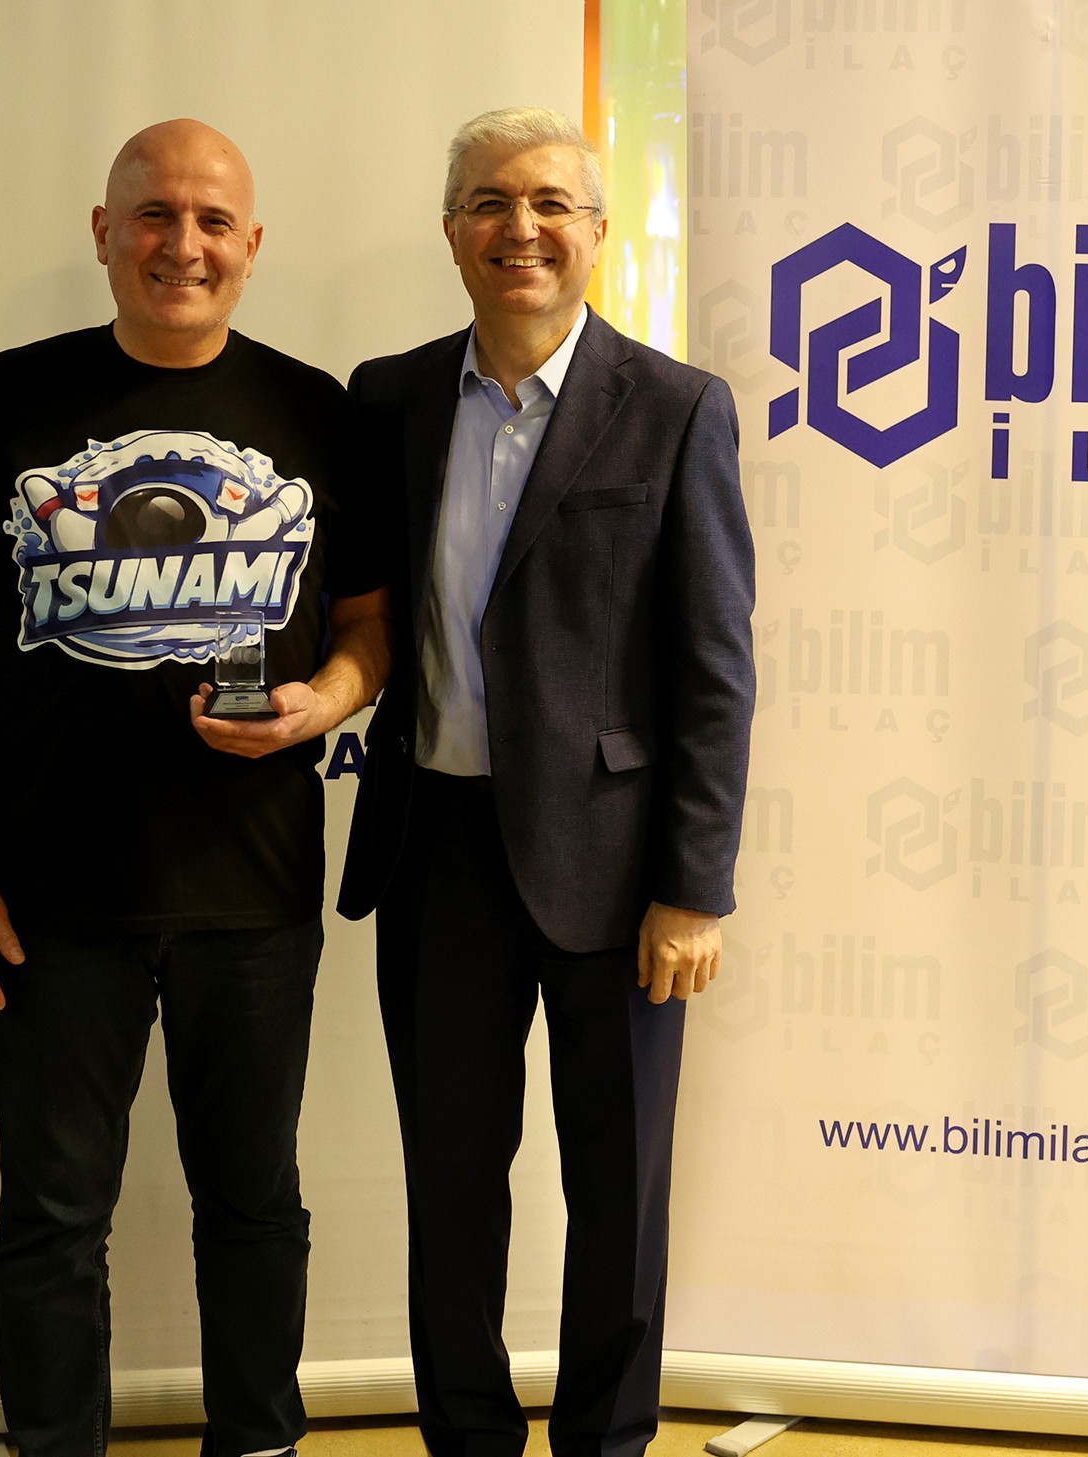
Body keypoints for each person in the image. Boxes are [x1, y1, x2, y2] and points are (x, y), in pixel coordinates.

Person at [0, 118, 390, 1457]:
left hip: (256, 893)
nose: (185, 244)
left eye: (213, 219)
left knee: (255, 1206)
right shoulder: (9, 396)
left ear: (253, 243)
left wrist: (324, 702)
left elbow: (370, 630)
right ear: (104, 233)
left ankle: (260, 1444)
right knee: (52, 1220)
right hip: (48, 900)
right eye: (156, 215)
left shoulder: (317, 412)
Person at [338, 107, 755, 1457]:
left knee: (618, 1193)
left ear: (597, 232)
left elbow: (715, 669)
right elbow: (360, 609)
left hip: (620, 869)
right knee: (451, 1187)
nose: (519, 228)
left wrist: (694, 888)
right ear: (450, 230)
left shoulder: (677, 407)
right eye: (488, 202)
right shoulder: (388, 399)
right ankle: (467, 1440)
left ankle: (605, 1445)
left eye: (549, 204)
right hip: (437, 853)